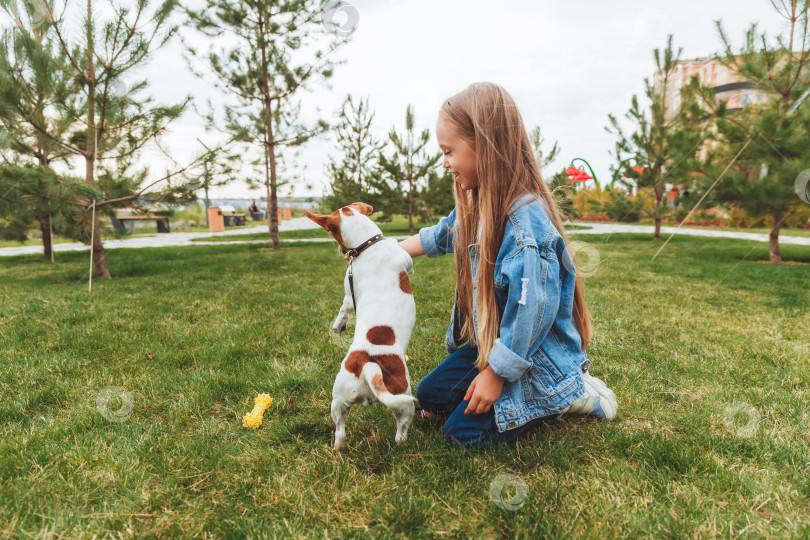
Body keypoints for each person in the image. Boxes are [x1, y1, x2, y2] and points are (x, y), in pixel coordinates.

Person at [398, 82, 618, 447]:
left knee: (461, 435)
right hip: (496, 345)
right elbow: (441, 235)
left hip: (533, 359)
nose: (445, 163)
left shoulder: (525, 224)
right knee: (431, 396)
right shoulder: (479, 204)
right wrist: (384, 250)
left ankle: (569, 394)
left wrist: (496, 375)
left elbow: (530, 311)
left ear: (484, 146)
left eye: (449, 152)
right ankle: (524, 385)